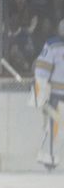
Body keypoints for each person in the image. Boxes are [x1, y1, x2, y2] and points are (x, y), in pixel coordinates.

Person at [33, 19, 64, 170]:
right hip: (57, 96)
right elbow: (41, 70)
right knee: (54, 128)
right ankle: (47, 158)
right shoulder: (53, 46)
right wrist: (41, 94)